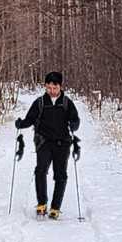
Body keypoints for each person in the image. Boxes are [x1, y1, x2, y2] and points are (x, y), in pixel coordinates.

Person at [14, 71, 80, 219]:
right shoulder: (40, 102)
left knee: (60, 174)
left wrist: (74, 125)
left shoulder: (66, 103)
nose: (51, 91)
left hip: (63, 143)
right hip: (43, 142)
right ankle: (42, 204)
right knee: (40, 171)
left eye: (54, 88)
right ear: (45, 86)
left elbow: (75, 119)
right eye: (49, 87)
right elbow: (30, 119)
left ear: (60, 87)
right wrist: (21, 124)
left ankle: (55, 207)